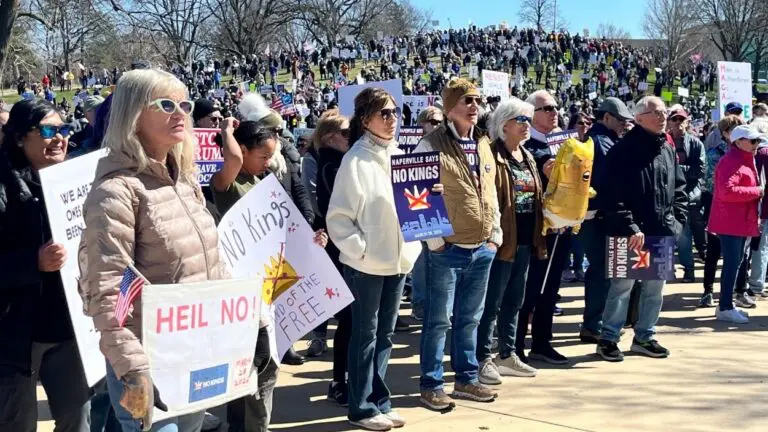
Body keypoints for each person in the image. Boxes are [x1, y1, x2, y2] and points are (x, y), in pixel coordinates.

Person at [78, 69, 227, 432]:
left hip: (195, 352)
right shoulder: (115, 192)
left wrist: (254, 324)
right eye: (165, 105)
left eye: (184, 105)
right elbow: (109, 291)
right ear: (133, 114)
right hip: (145, 362)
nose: (180, 114)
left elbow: (212, 264)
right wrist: (133, 368)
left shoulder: (186, 181)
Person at [326, 87, 422, 431]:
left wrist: (430, 200)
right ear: (366, 120)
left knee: (385, 335)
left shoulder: (399, 156)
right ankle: (361, 406)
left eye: (396, 112)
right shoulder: (355, 161)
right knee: (364, 336)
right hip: (366, 265)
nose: (392, 119)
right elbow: (338, 218)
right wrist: (361, 249)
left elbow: (411, 205)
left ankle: (380, 400)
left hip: (397, 260)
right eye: (385, 113)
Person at [0, 99, 91, 432]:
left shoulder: (76, 181)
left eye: (63, 129)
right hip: (15, 337)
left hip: (68, 329)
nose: (60, 138)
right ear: (20, 138)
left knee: (77, 421)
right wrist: (33, 262)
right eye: (48, 131)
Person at [415, 78, 501, 410]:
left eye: (477, 100)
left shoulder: (483, 142)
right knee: (439, 321)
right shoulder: (430, 144)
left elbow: (491, 191)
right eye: (467, 100)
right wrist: (435, 242)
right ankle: (431, 384)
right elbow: (417, 196)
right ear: (450, 107)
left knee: (470, 318)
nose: (474, 106)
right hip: (448, 248)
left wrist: (495, 236)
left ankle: (466, 378)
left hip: (482, 246)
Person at [597, 96, 687, 362]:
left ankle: (645, 336)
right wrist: (630, 226)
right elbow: (611, 194)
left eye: (664, 112)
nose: (662, 117)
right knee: (621, 288)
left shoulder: (667, 148)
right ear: (638, 118)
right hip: (630, 233)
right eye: (656, 112)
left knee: (654, 290)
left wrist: (677, 221)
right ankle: (608, 339)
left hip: (662, 230)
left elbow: (679, 188)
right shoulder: (623, 150)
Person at [476, 98, 546, 386]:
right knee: (492, 301)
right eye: (521, 120)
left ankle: (507, 353)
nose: (527, 125)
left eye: (529, 120)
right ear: (504, 124)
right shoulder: (491, 154)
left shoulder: (526, 155)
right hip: (501, 239)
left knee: (515, 300)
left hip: (526, 238)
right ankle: (482, 357)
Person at [516, 89, 570, 365]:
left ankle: (541, 341)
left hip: (561, 227)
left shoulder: (564, 143)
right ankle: (514, 345)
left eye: (556, 107)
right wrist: (542, 171)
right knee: (527, 288)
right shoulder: (524, 146)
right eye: (547, 108)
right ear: (531, 114)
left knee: (550, 288)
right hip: (533, 228)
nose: (554, 112)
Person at [578, 97, 634, 344]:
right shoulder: (602, 142)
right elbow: (607, 181)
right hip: (599, 215)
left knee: (602, 270)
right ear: (607, 117)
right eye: (621, 120)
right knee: (601, 270)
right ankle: (594, 324)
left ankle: (595, 322)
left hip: (596, 214)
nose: (624, 125)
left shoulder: (601, 140)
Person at [309, 110, 353, 404]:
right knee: (349, 318)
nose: (352, 137)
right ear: (329, 137)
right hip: (340, 248)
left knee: (353, 319)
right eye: (347, 133)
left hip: (344, 246)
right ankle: (339, 380)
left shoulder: (341, 162)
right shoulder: (331, 165)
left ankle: (345, 378)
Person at [708, 125, 763, 324]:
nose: (757, 144)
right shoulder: (731, 161)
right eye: (753, 141)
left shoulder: (743, 159)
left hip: (739, 221)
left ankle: (726, 304)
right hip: (731, 222)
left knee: (735, 263)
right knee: (732, 264)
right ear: (739, 142)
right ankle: (725, 307)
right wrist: (758, 191)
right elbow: (726, 192)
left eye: (758, 140)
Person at [700, 116, 747, 308]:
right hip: (717, 208)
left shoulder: (746, 154)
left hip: (740, 209)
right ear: (725, 133)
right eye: (735, 129)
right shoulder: (714, 154)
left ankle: (740, 291)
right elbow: (710, 185)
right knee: (714, 250)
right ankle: (708, 291)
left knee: (740, 254)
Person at [410, 105, 446, 321]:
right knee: (422, 261)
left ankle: (435, 304)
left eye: (440, 122)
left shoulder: (446, 145)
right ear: (422, 124)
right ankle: (420, 304)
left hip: (443, 210)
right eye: (433, 122)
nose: (437, 125)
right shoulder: (419, 147)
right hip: (423, 209)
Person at [668, 107, 706, 282]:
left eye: (681, 119)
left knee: (685, 234)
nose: (678, 123)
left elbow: (700, 170)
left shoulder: (696, 144)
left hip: (688, 195)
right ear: (669, 122)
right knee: (667, 234)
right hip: (666, 195)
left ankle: (689, 269)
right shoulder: (664, 142)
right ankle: (667, 268)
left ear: (687, 122)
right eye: (675, 119)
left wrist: (675, 170)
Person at [747, 121, 768, 299]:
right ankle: (757, 283)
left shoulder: (760, 154)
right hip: (763, 208)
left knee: (759, 247)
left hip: (762, 208)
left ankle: (755, 283)